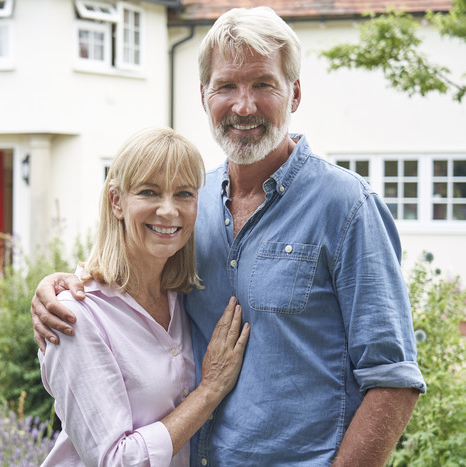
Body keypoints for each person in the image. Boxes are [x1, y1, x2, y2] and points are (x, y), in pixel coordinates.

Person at [32, 7, 426, 466]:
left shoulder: (346, 206)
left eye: (263, 84)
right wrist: (58, 286)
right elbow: (128, 283)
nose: (244, 105)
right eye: (226, 86)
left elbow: (393, 379)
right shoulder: (188, 205)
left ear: (294, 93)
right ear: (204, 96)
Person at [38, 127, 250, 466]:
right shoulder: (76, 317)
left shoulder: (185, 298)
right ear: (117, 202)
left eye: (183, 194)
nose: (168, 211)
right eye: (149, 192)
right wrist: (209, 391)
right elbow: (116, 460)